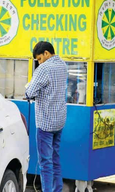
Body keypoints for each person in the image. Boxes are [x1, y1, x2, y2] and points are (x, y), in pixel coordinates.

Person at [25, 41, 68, 192]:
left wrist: (29, 88)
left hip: (45, 122)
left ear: (46, 54)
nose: (39, 62)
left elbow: (30, 92)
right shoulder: (63, 65)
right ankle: (57, 189)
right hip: (59, 120)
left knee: (45, 162)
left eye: (39, 59)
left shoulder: (44, 69)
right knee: (55, 158)